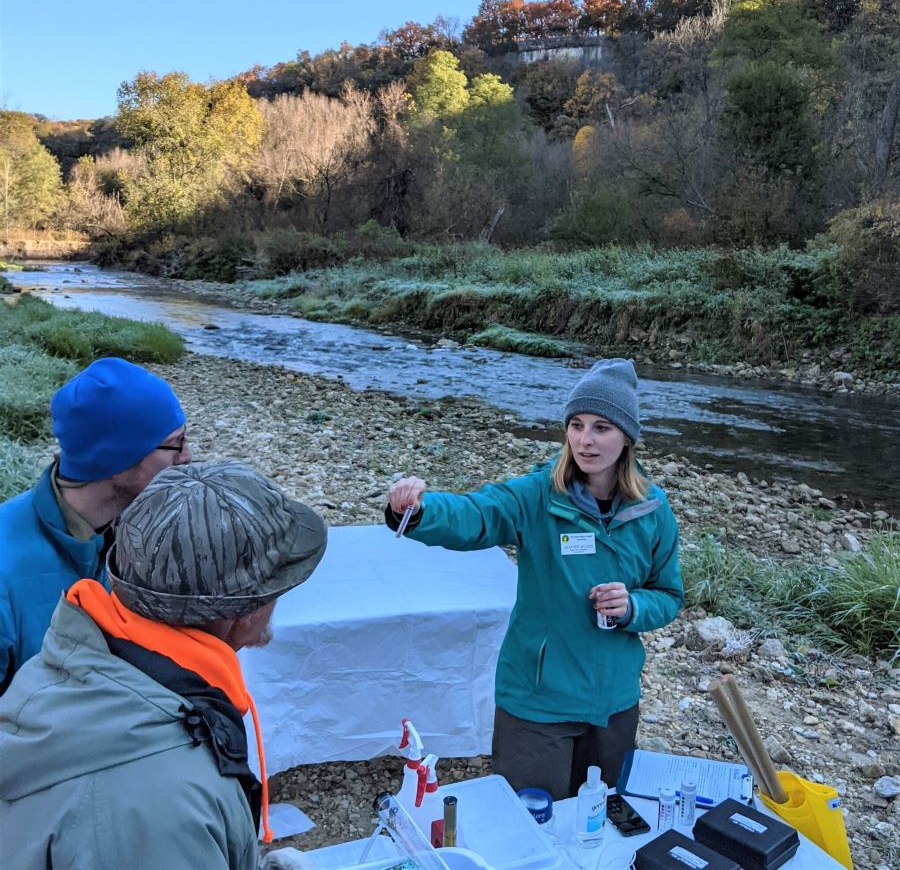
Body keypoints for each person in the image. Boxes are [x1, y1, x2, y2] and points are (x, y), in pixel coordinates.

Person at [0, 459, 328, 870]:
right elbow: (128, 829)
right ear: (245, 609)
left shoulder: (78, 660)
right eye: (282, 582)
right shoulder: (163, 803)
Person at [386, 358, 683, 802]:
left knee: (601, 819)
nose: (586, 440)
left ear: (627, 437)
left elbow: (668, 595)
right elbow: (478, 514)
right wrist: (416, 511)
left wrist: (633, 607)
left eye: (602, 427)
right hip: (538, 700)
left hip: (614, 700)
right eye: (577, 424)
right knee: (527, 820)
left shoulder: (653, 510)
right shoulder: (538, 495)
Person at [0, 355, 190, 692]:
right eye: (175, 444)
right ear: (118, 462)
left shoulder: (144, 533)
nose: (187, 457)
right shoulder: (6, 571)